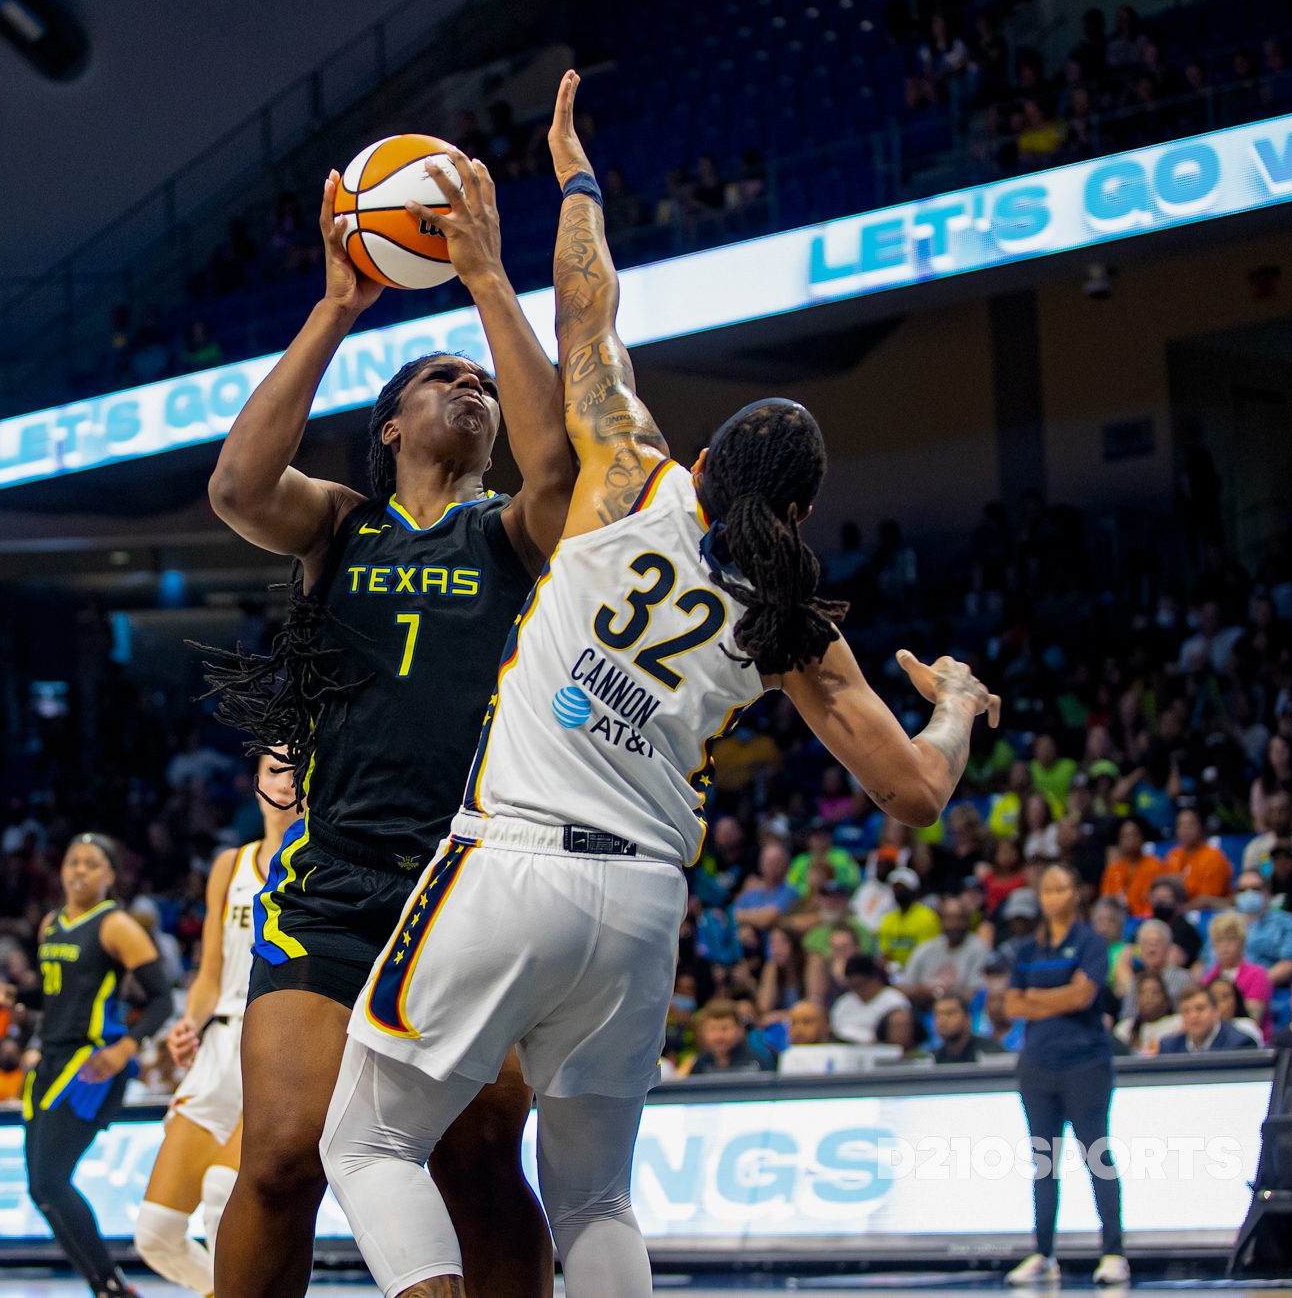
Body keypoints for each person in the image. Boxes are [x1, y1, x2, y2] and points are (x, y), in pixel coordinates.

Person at [318, 72, 995, 1298]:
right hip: (639, 908)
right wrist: (950, 702)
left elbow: (587, 309)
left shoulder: (629, 473)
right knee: (594, 1196)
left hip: (512, 859)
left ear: (711, 452)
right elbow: (910, 792)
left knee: (363, 1140)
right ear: (794, 508)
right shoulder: (794, 622)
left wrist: (572, 178)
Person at [201, 113, 573, 1298]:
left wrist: (481, 280)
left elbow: (559, 461)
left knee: (474, 1159)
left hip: (473, 878)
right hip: (340, 869)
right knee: (275, 1161)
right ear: (391, 426)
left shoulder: (512, 529)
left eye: (478, 382)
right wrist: (337, 306)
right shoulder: (337, 524)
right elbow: (234, 483)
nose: (467, 387)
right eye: (442, 381)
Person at [136, 754, 299, 1296]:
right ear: (254, 782)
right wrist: (188, 1022)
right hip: (219, 1047)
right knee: (155, 1235)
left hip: (282, 1047)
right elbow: (210, 973)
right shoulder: (230, 865)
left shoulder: (325, 860)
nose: (288, 778)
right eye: (275, 768)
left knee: (219, 1196)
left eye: (300, 767)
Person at [0, 834, 171, 1298]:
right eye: (72, 861)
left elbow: (162, 999)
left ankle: (112, 1284)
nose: (79, 871)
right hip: (50, 1057)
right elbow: (54, 996)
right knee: (42, 1188)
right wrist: (12, 995)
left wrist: (126, 1048)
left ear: (110, 875)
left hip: (91, 1063)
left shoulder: (116, 925)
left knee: (50, 1178)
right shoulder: (50, 923)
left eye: (92, 864)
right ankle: (105, 1285)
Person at [1003, 865, 1128, 1286]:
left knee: (1097, 1155)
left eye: (1062, 888)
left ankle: (1113, 1252)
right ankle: (1043, 1253)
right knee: (1043, 1162)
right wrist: (1059, 997)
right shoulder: (1025, 948)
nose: (1053, 896)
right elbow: (1011, 1006)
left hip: (1085, 1063)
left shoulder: (1092, 942)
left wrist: (1039, 996)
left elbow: (1085, 995)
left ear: (1077, 894)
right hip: (1037, 1065)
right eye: (1047, 889)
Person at [899, 893, 989, 1004]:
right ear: (942, 920)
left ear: (968, 920)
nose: (955, 924)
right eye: (950, 918)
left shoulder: (978, 949)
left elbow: (976, 991)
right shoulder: (926, 949)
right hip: (924, 1010)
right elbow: (905, 986)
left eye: (960, 918)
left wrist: (936, 993)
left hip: (962, 1012)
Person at [832, 956, 912, 1045]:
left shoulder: (895, 1001)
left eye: (860, 985)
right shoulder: (843, 1003)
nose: (858, 991)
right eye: (852, 987)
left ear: (874, 979)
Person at [680, 1001, 774, 1074]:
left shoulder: (754, 1062)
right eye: (713, 1029)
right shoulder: (700, 1064)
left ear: (739, 1030)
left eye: (725, 1029)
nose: (719, 1035)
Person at [1160, 984, 1260, 1052]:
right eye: (1186, 1011)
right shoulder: (1169, 1048)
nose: (1193, 1016)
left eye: (1200, 1008)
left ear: (1216, 1012)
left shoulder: (1240, 1045)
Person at [876, 868, 941, 968]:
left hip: (921, 971)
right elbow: (885, 954)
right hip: (894, 973)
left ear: (914, 889)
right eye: (895, 888)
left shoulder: (927, 917)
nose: (898, 891)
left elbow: (929, 953)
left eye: (902, 887)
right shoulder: (888, 919)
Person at [931, 993, 1003, 1063]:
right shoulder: (934, 1058)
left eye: (950, 1013)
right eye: (938, 1014)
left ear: (968, 1018)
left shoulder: (991, 1052)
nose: (943, 1020)